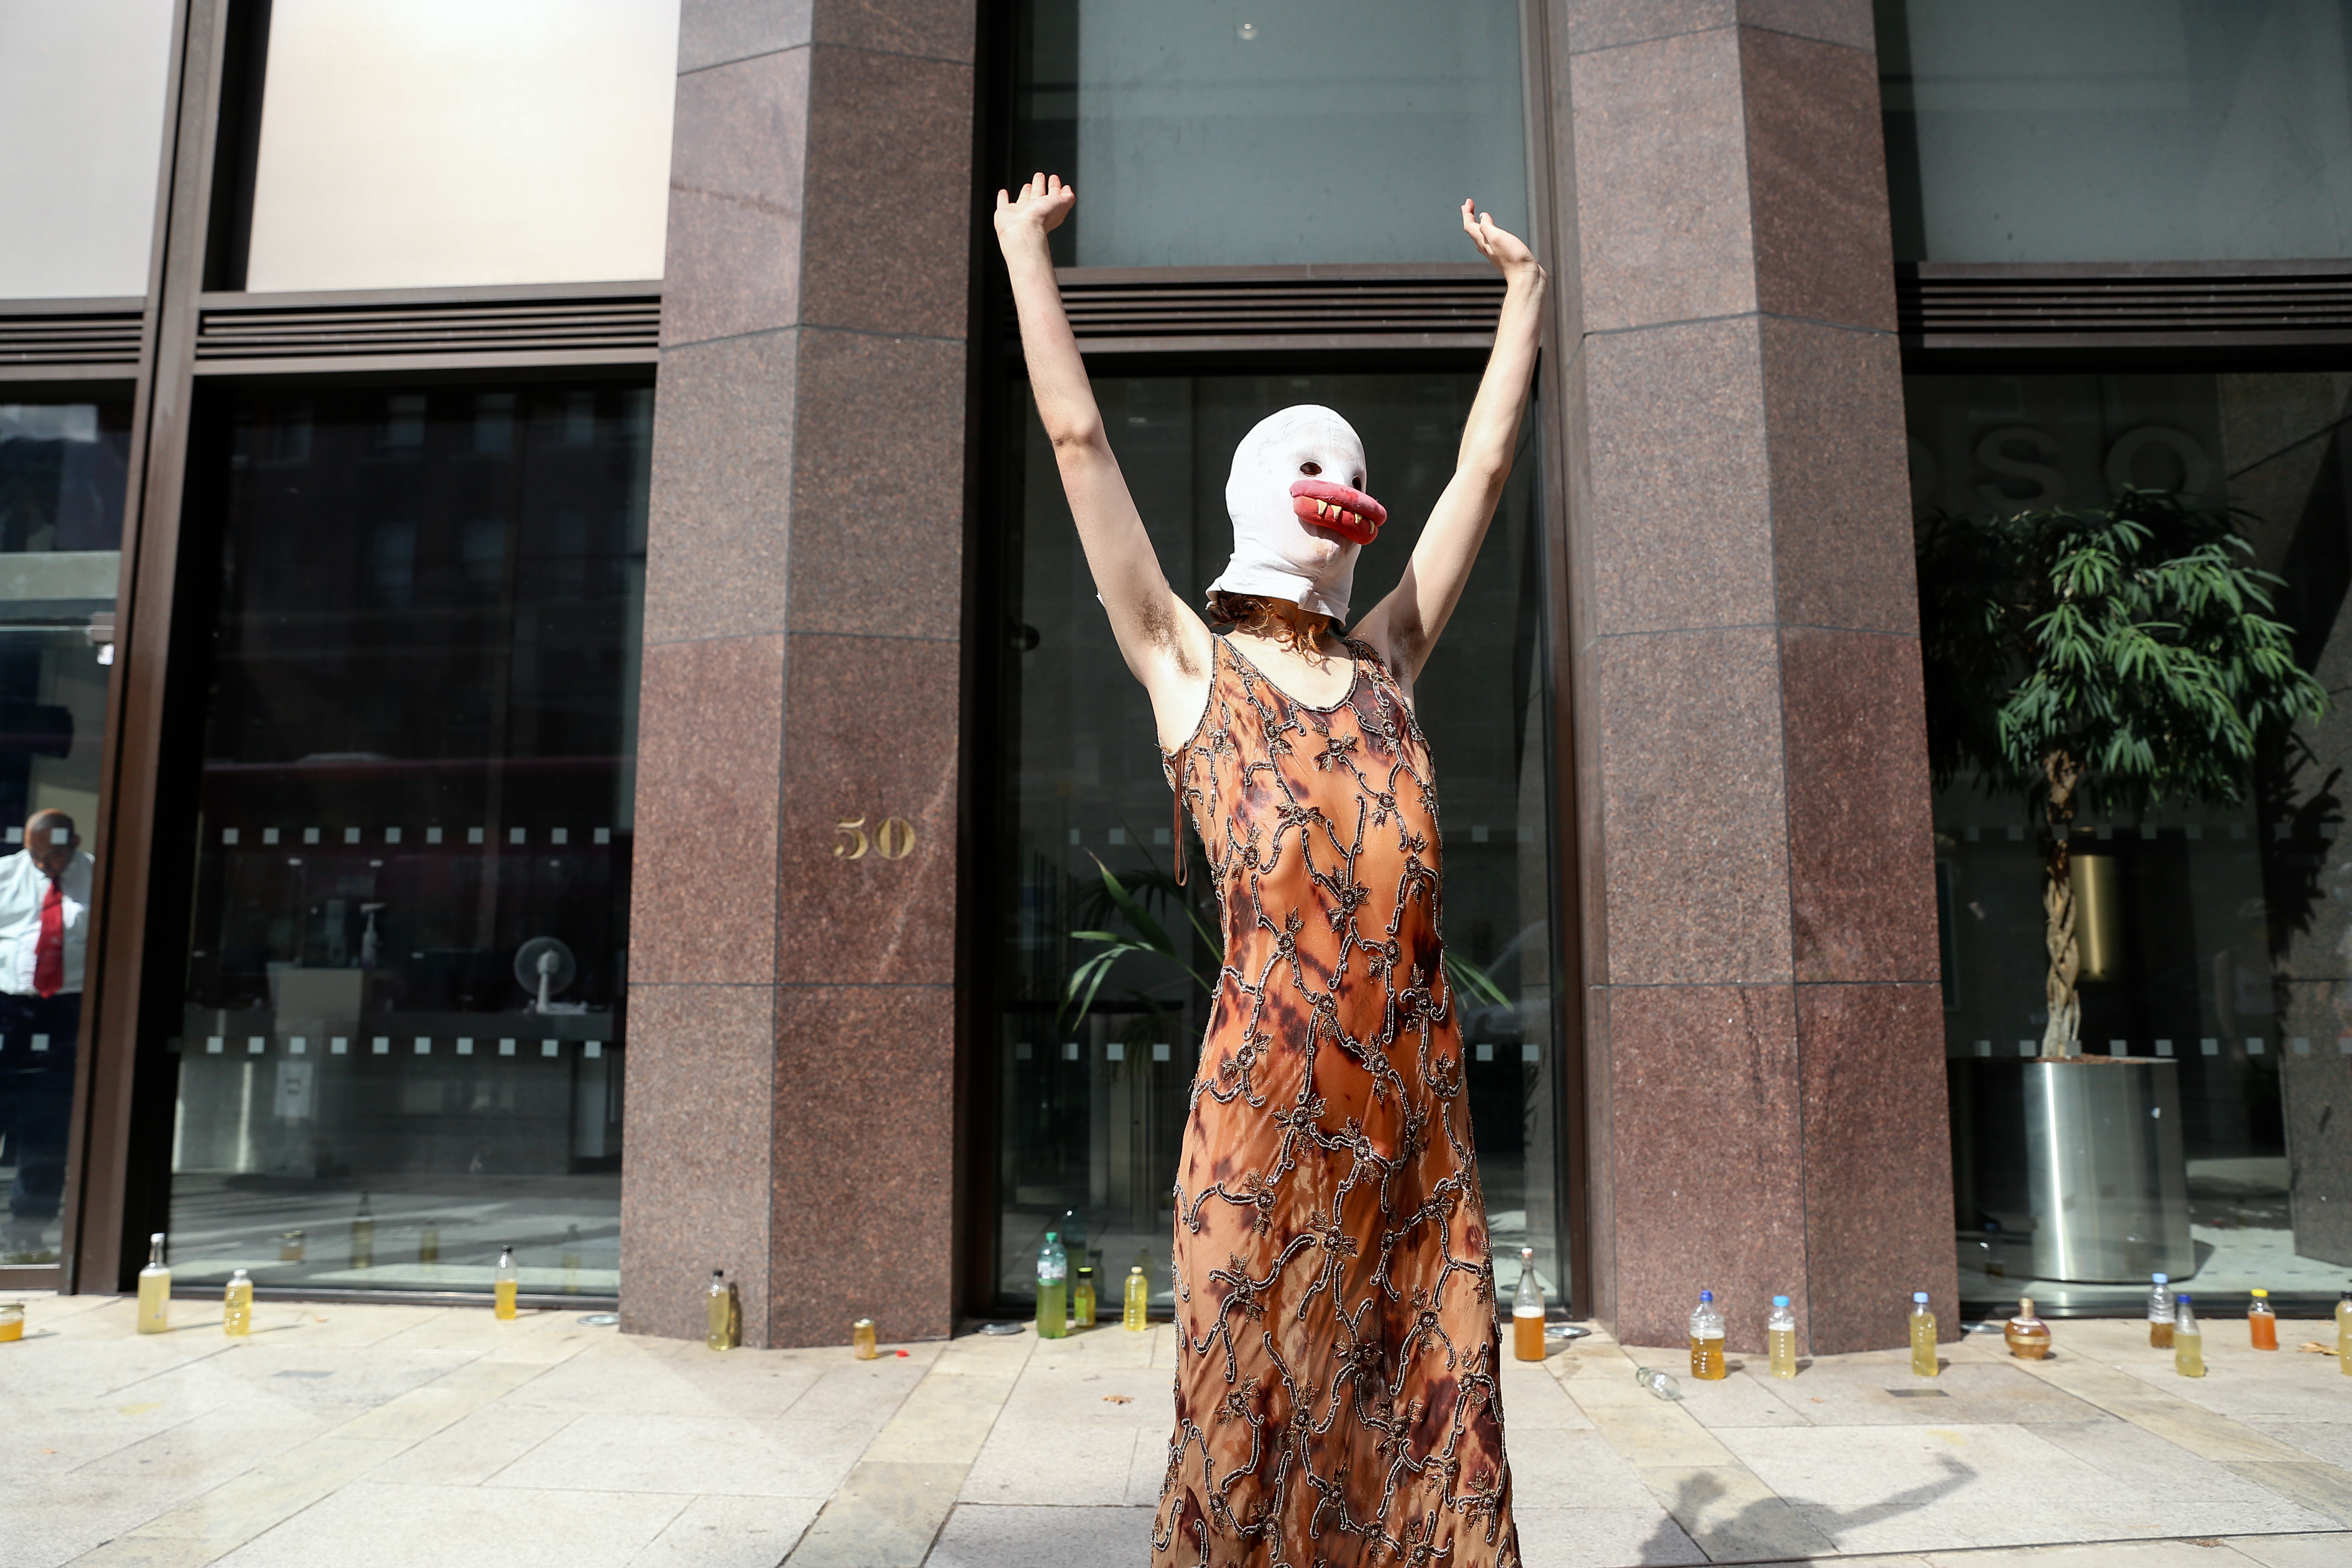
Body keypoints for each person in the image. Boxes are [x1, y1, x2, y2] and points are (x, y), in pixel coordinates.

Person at [996, 173, 1544, 1566]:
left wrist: (1529, 301)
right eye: (1321, 465)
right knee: (1248, 1436)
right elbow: (1075, 440)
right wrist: (1020, 254)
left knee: (1426, 1436)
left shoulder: (1392, 659)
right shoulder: (1187, 664)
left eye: (1363, 477)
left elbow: (1480, 473)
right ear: (1256, 485)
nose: (1348, 491)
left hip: (1415, 1146)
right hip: (1260, 1145)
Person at [0, 808, 93, 1253]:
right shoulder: (6, 875)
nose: (45, 866)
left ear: (74, 844)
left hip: (65, 1007)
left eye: (54, 856)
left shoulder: (100, 878)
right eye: (38, 857)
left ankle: (27, 1229)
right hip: (7, 1005)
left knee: (47, 1120)